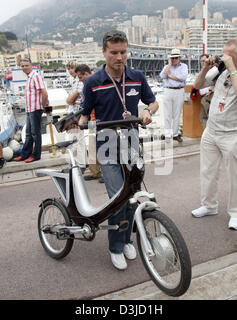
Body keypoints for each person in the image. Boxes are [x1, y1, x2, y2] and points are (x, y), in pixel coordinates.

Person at [79, 30, 159, 270]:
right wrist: (81, 123)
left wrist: (148, 111)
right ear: (104, 52)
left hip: (133, 144)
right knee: (118, 199)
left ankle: (125, 240)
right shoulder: (93, 83)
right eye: (114, 52)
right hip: (107, 147)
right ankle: (115, 247)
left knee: (132, 197)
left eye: (123, 52)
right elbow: (84, 113)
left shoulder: (137, 76)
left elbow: (153, 102)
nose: (119, 57)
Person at [191, 39, 237, 230]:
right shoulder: (219, 72)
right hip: (211, 131)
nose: (226, 59)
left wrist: (232, 69)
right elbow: (197, 86)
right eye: (224, 55)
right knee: (208, 171)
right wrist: (206, 68)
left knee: (236, 175)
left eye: (230, 55)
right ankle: (209, 205)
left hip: (232, 134)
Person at [14, 58, 48, 163]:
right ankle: (25, 154)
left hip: (35, 108)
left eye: (26, 65)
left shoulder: (35, 76)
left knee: (35, 133)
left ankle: (36, 155)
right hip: (29, 109)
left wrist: (42, 106)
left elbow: (44, 92)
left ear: (31, 65)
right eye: (22, 66)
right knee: (28, 133)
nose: (24, 67)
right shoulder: (29, 77)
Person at [74, 64, 103, 183]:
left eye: (80, 78)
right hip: (91, 118)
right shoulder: (89, 84)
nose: (80, 80)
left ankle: (107, 174)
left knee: (102, 148)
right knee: (92, 148)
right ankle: (95, 172)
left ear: (86, 74)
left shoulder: (94, 83)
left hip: (99, 119)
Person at [159, 48, 188, 143]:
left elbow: (182, 78)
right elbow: (162, 76)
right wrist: (169, 64)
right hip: (168, 90)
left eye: (176, 58)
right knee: (167, 114)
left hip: (179, 90)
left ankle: (175, 134)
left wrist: (170, 76)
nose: (174, 59)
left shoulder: (184, 66)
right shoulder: (167, 66)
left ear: (179, 58)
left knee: (177, 113)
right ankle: (167, 135)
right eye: (173, 58)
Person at [195, 54, 216, 129]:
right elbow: (198, 87)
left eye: (205, 61)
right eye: (201, 61)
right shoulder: (202, 72)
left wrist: (210, 88)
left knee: (211, 120)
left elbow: (215, 86)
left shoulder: (214, 72)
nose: (203, 63)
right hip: (203, 98)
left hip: (211, 99)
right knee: (202, 118)